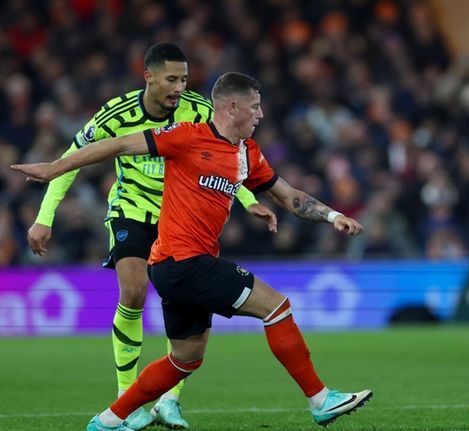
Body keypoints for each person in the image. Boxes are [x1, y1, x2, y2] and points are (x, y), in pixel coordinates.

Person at [13, 71, 372, 431]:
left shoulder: (248, 153)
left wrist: (333, 215)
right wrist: (55, 167)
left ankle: (109, 419)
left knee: (186, 358)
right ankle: (320, 399)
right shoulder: (186, 137)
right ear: (232, 108)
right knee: (276, 307)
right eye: (255, 106)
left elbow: (289, 196)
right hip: (182, 261)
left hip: (180, 267)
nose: (261, 115)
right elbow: (119, 145)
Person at [25, 43, 274, 430]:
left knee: (187, 301)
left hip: (184, 216)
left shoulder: (199, 109)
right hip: (133, 210)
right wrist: (45, 217)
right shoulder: (116, 114)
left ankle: (169, 401)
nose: (179, 87)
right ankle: (130, 402)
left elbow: (227, 154)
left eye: (185, 79)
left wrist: (246, 198)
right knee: (135, 291)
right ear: (150, 77)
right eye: (172, 79)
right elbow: (69, 161)